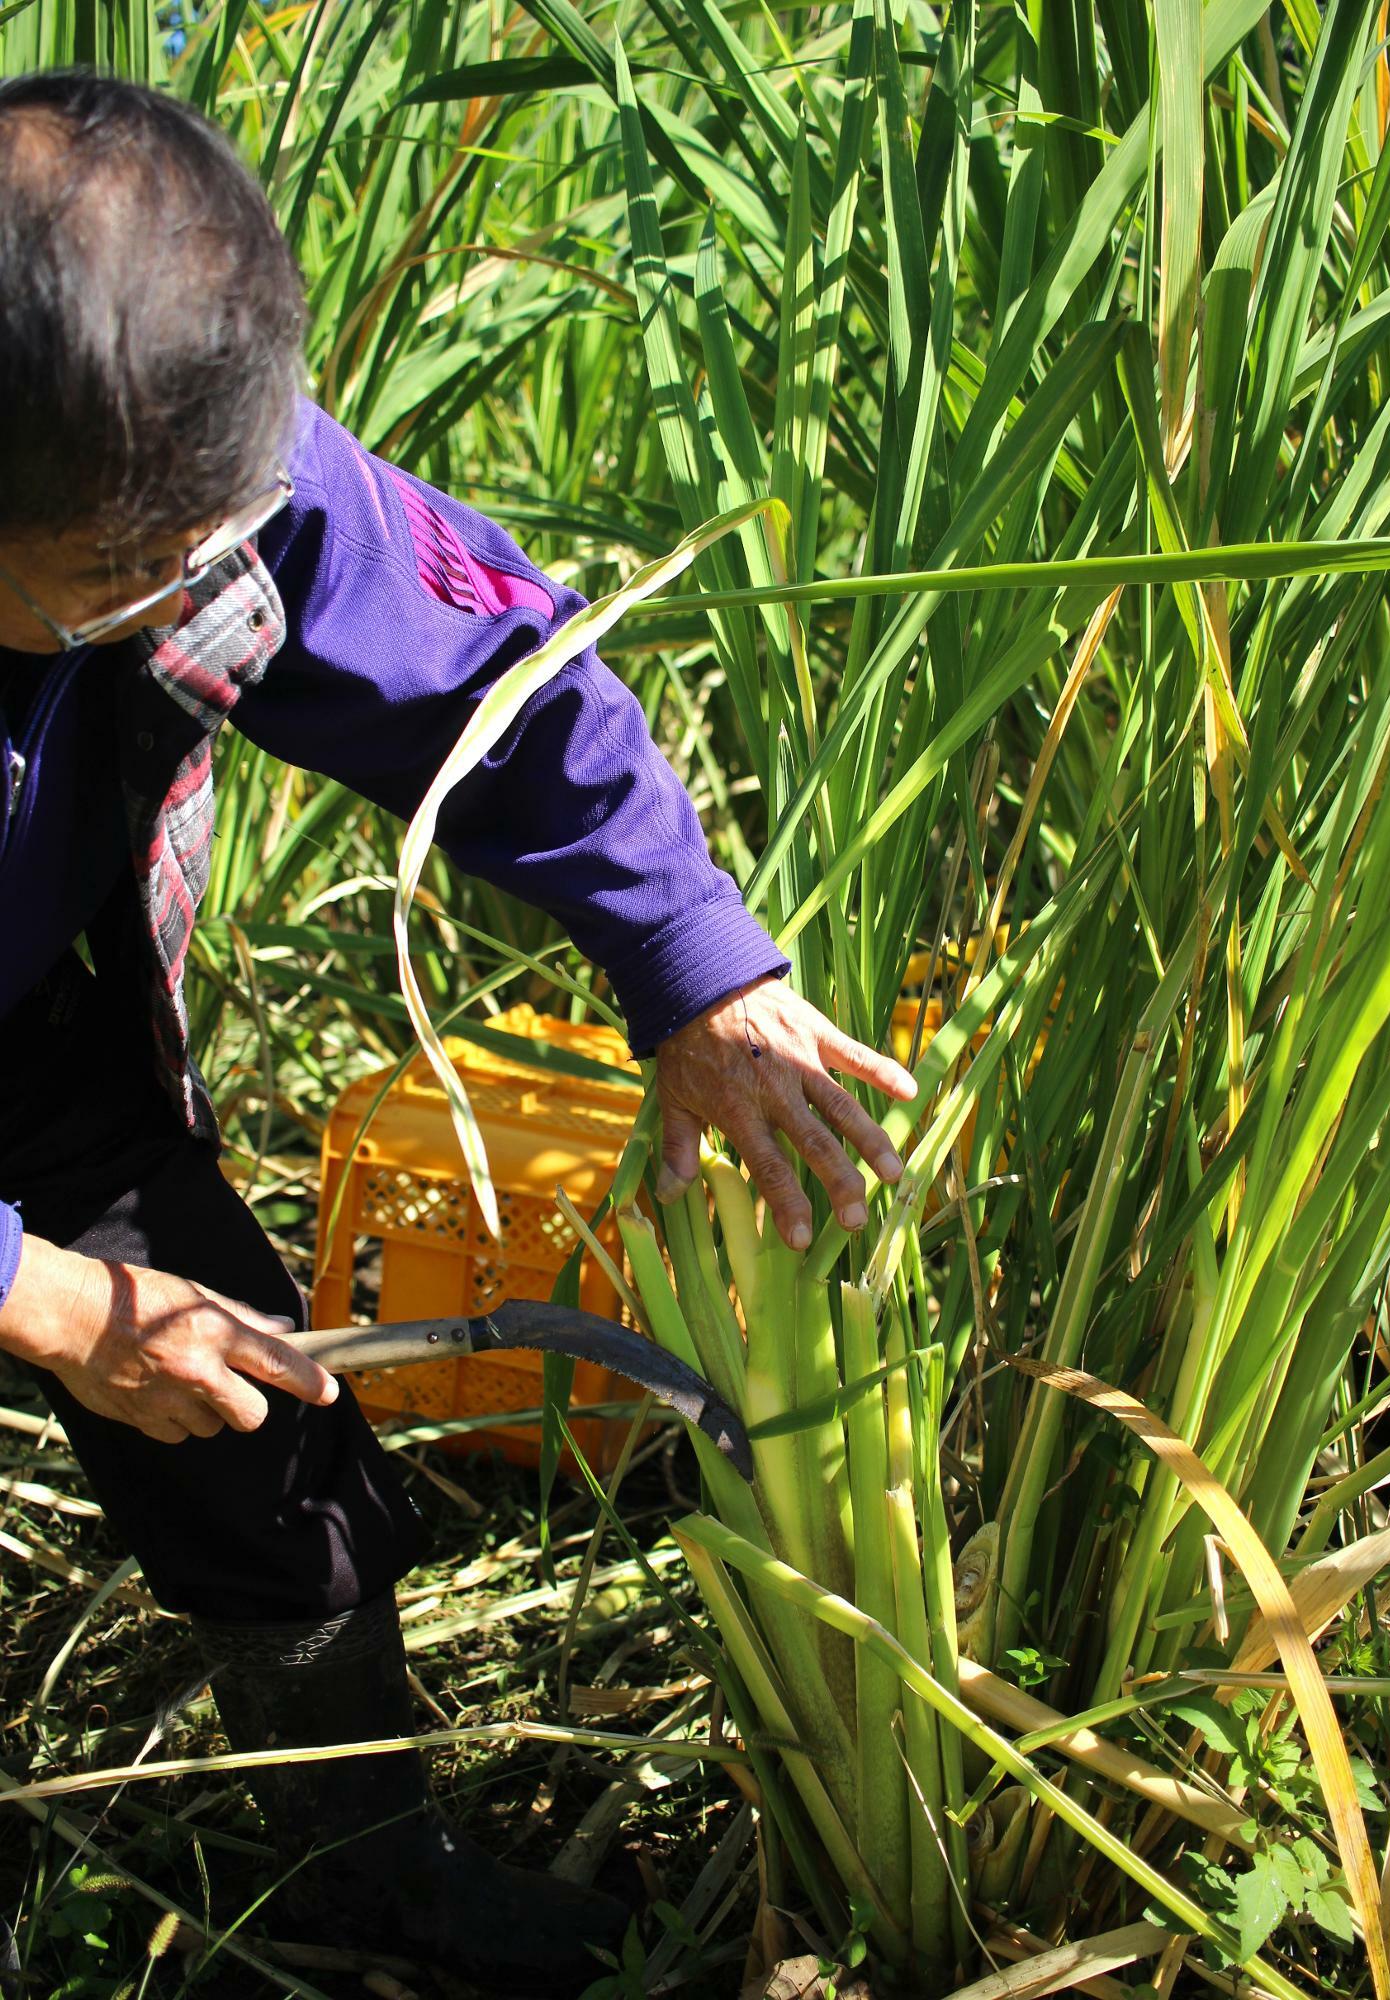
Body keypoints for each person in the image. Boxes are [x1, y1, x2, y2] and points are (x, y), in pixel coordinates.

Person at [0, 70, 916, 1993]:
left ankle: (370, 1862)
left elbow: (500, 674)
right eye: (128, 582)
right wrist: (49, 1308)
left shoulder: (180, 464)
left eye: (218, 539)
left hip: (34, 1027)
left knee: (261, 1435)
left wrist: (698, 966)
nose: (201, 589)